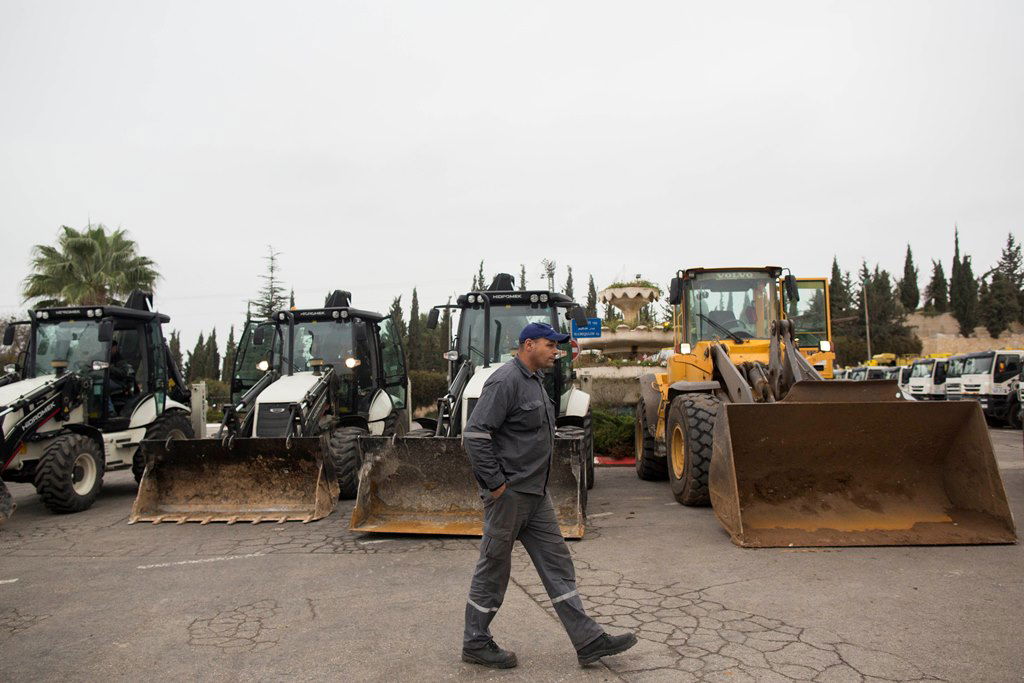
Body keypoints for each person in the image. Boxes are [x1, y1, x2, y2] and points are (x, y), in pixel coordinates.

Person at [461, 321, 637, 669]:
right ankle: (475, 642)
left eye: (557, 345)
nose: (556, 351)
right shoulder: (505, 381)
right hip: (510, 496)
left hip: (536, 497)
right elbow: (475, 435)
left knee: (558, 564)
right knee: (494, 569)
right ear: (528, 345)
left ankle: (587, 640)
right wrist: (497, 485)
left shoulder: (535, 383)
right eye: (550, 345)